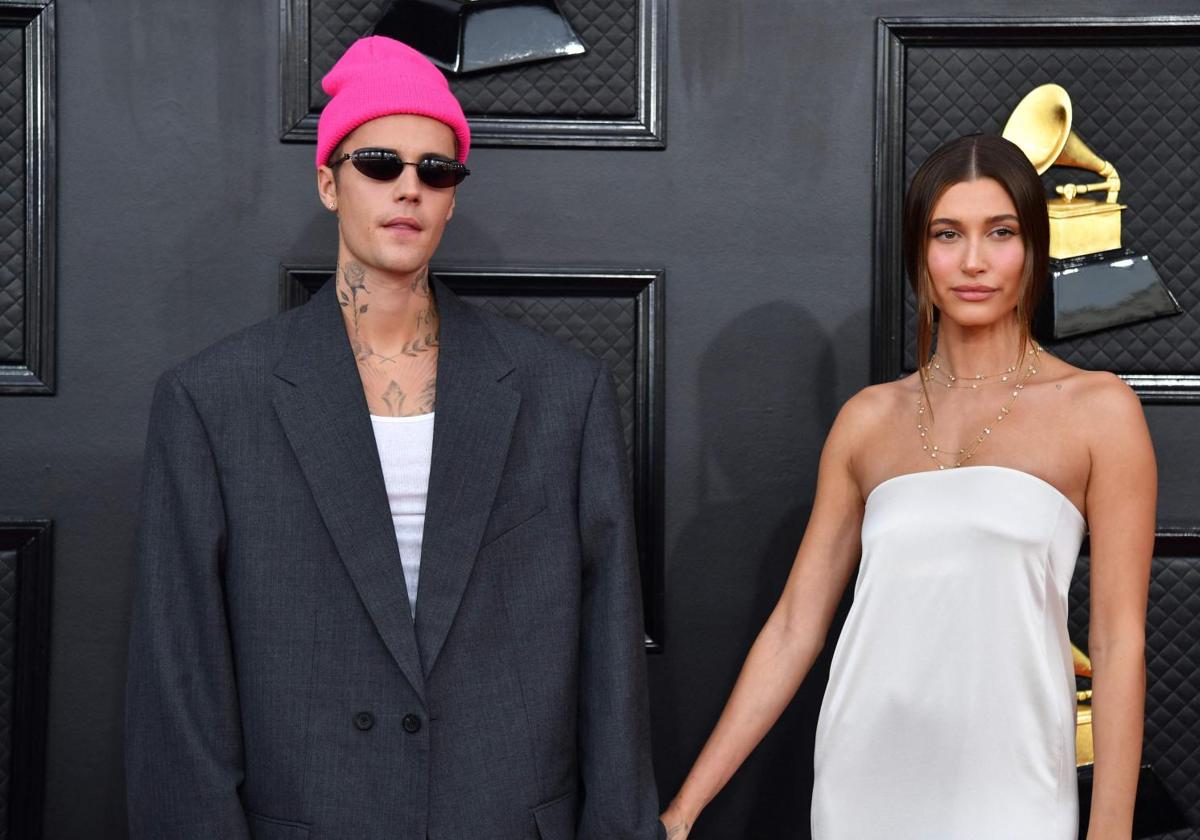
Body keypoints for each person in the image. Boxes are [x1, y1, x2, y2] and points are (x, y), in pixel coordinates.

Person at [126, 36, 663, 840]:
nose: (409, 187)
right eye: (380, 163)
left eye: (436, 170)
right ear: (328, 181)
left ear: (452, 197)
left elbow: (611, 658)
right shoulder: (213, 401)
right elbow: (180, 682)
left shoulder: (560, 393)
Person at [659, 134, 1154, 840]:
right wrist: (682, 813)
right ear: (919, 255)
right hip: (864, 778)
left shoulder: (1100, 411)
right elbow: (796, 626)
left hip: (1014, 785)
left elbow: (1116, 642)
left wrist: (1111, 831)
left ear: (1035, 251)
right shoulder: (867, 420)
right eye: (947, 234)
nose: (974, 261)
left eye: (1001, 232)